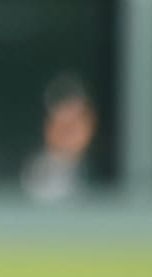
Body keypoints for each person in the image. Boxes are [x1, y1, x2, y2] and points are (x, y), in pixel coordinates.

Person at [23, 74, 100, 202]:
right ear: (47, 125)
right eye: (62, 123)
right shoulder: (33, 174)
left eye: (76, 121)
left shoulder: (104, 171)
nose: (69, 131)